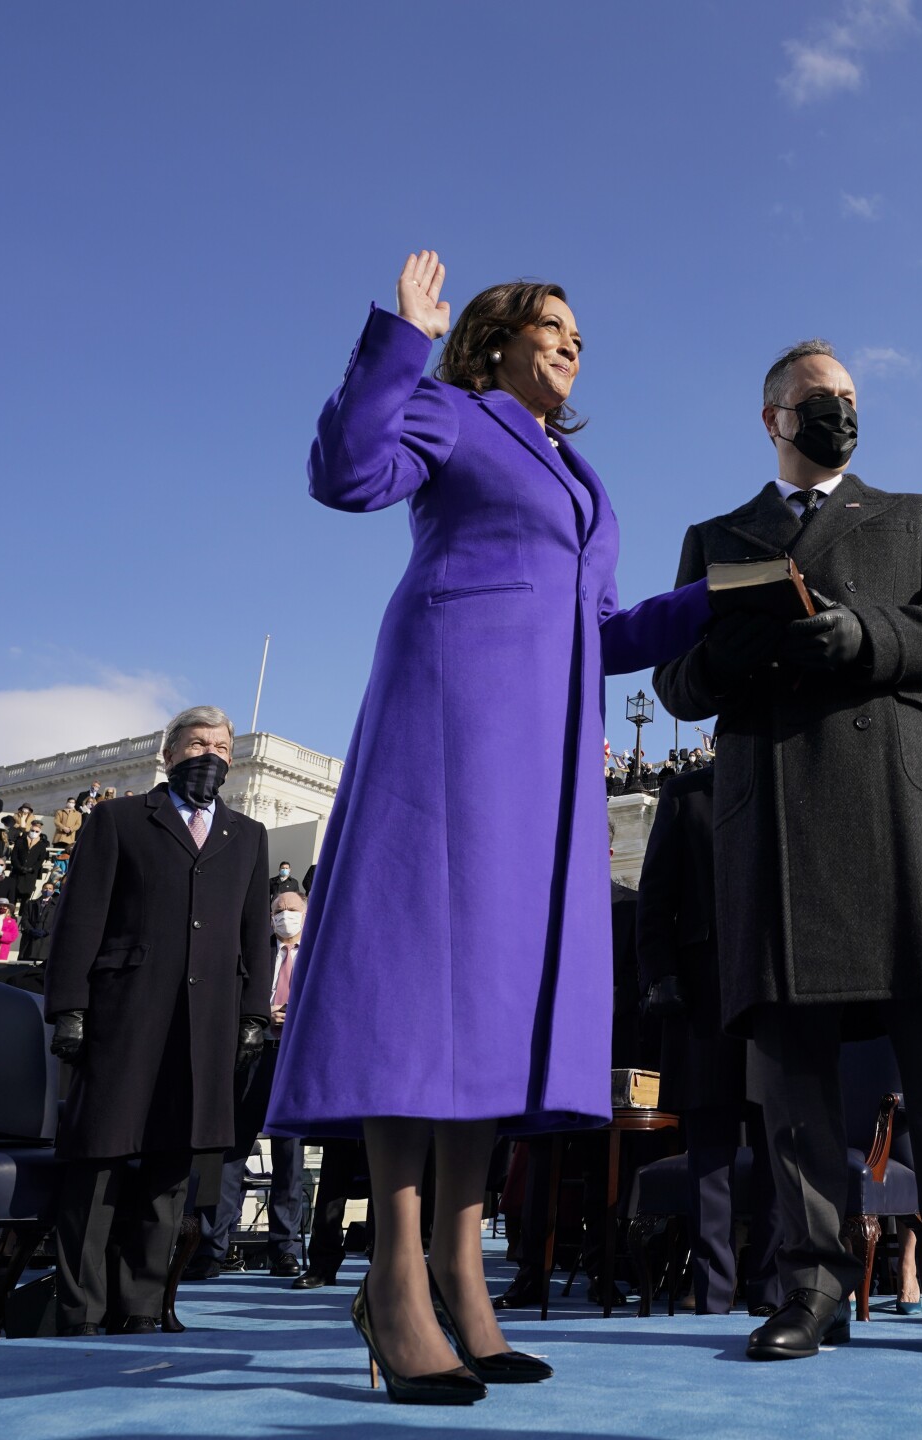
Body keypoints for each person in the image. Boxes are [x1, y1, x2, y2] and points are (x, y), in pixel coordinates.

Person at [263, 253, 707, 1403]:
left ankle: (466, 1276)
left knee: (499, 1000)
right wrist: (401, 339)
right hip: (448, 714)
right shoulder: (453, 414)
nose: (569, 342)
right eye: (549, 327)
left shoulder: (586, 481)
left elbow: (603, 628)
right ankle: (395, 1278)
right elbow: (346, 474)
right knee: (423, 984)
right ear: (497, 343)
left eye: (577, 333)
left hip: (548, 747)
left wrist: (727, 599)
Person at [652, 338, 922, 1366]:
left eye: (846, 397)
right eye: (814, 399)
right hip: (778, 818)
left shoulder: (914, 514)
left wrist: (867, 637)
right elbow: (674, 683)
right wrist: (727, 654)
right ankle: (810, 1285)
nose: (835, 410)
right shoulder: (718, 534)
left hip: (895, 804)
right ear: (772, 418)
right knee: (788, 1068)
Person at [44, 706, 274, 1339]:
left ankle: (142, 1303)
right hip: (124, 1012)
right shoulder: (116, 819)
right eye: (199, 743)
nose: (212, 754)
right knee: (99, 1160)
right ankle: (80, 1310)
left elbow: (255, 934)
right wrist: (68, 1008)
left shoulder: (247, 834)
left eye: (224, 746)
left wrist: (253, 1014)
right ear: (169, 753)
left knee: (173, 1166)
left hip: (207, 1021)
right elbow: (81, 917)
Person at [636, 761, 782, 1316]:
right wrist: (661, 974)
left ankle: (771, 1292)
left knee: (777, 1154)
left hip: (775, 996)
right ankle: (713, 1294)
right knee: (710, 1161)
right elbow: (655, 903)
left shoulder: (784, 784)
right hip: (703, 999)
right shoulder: (686, 793)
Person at [200, 889, 312, 1281]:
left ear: (307, 912)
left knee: (289, 1157)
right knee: (233, 1152)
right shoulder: (253, 952)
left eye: (292, 909)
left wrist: (295, 1012)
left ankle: (285, 1249)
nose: (285, 916)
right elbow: (230, 995)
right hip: (252, 1052)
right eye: (278, 910)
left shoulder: (317, 953)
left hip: (295, 1057)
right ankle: (214, 1246)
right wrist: (262, 1013)